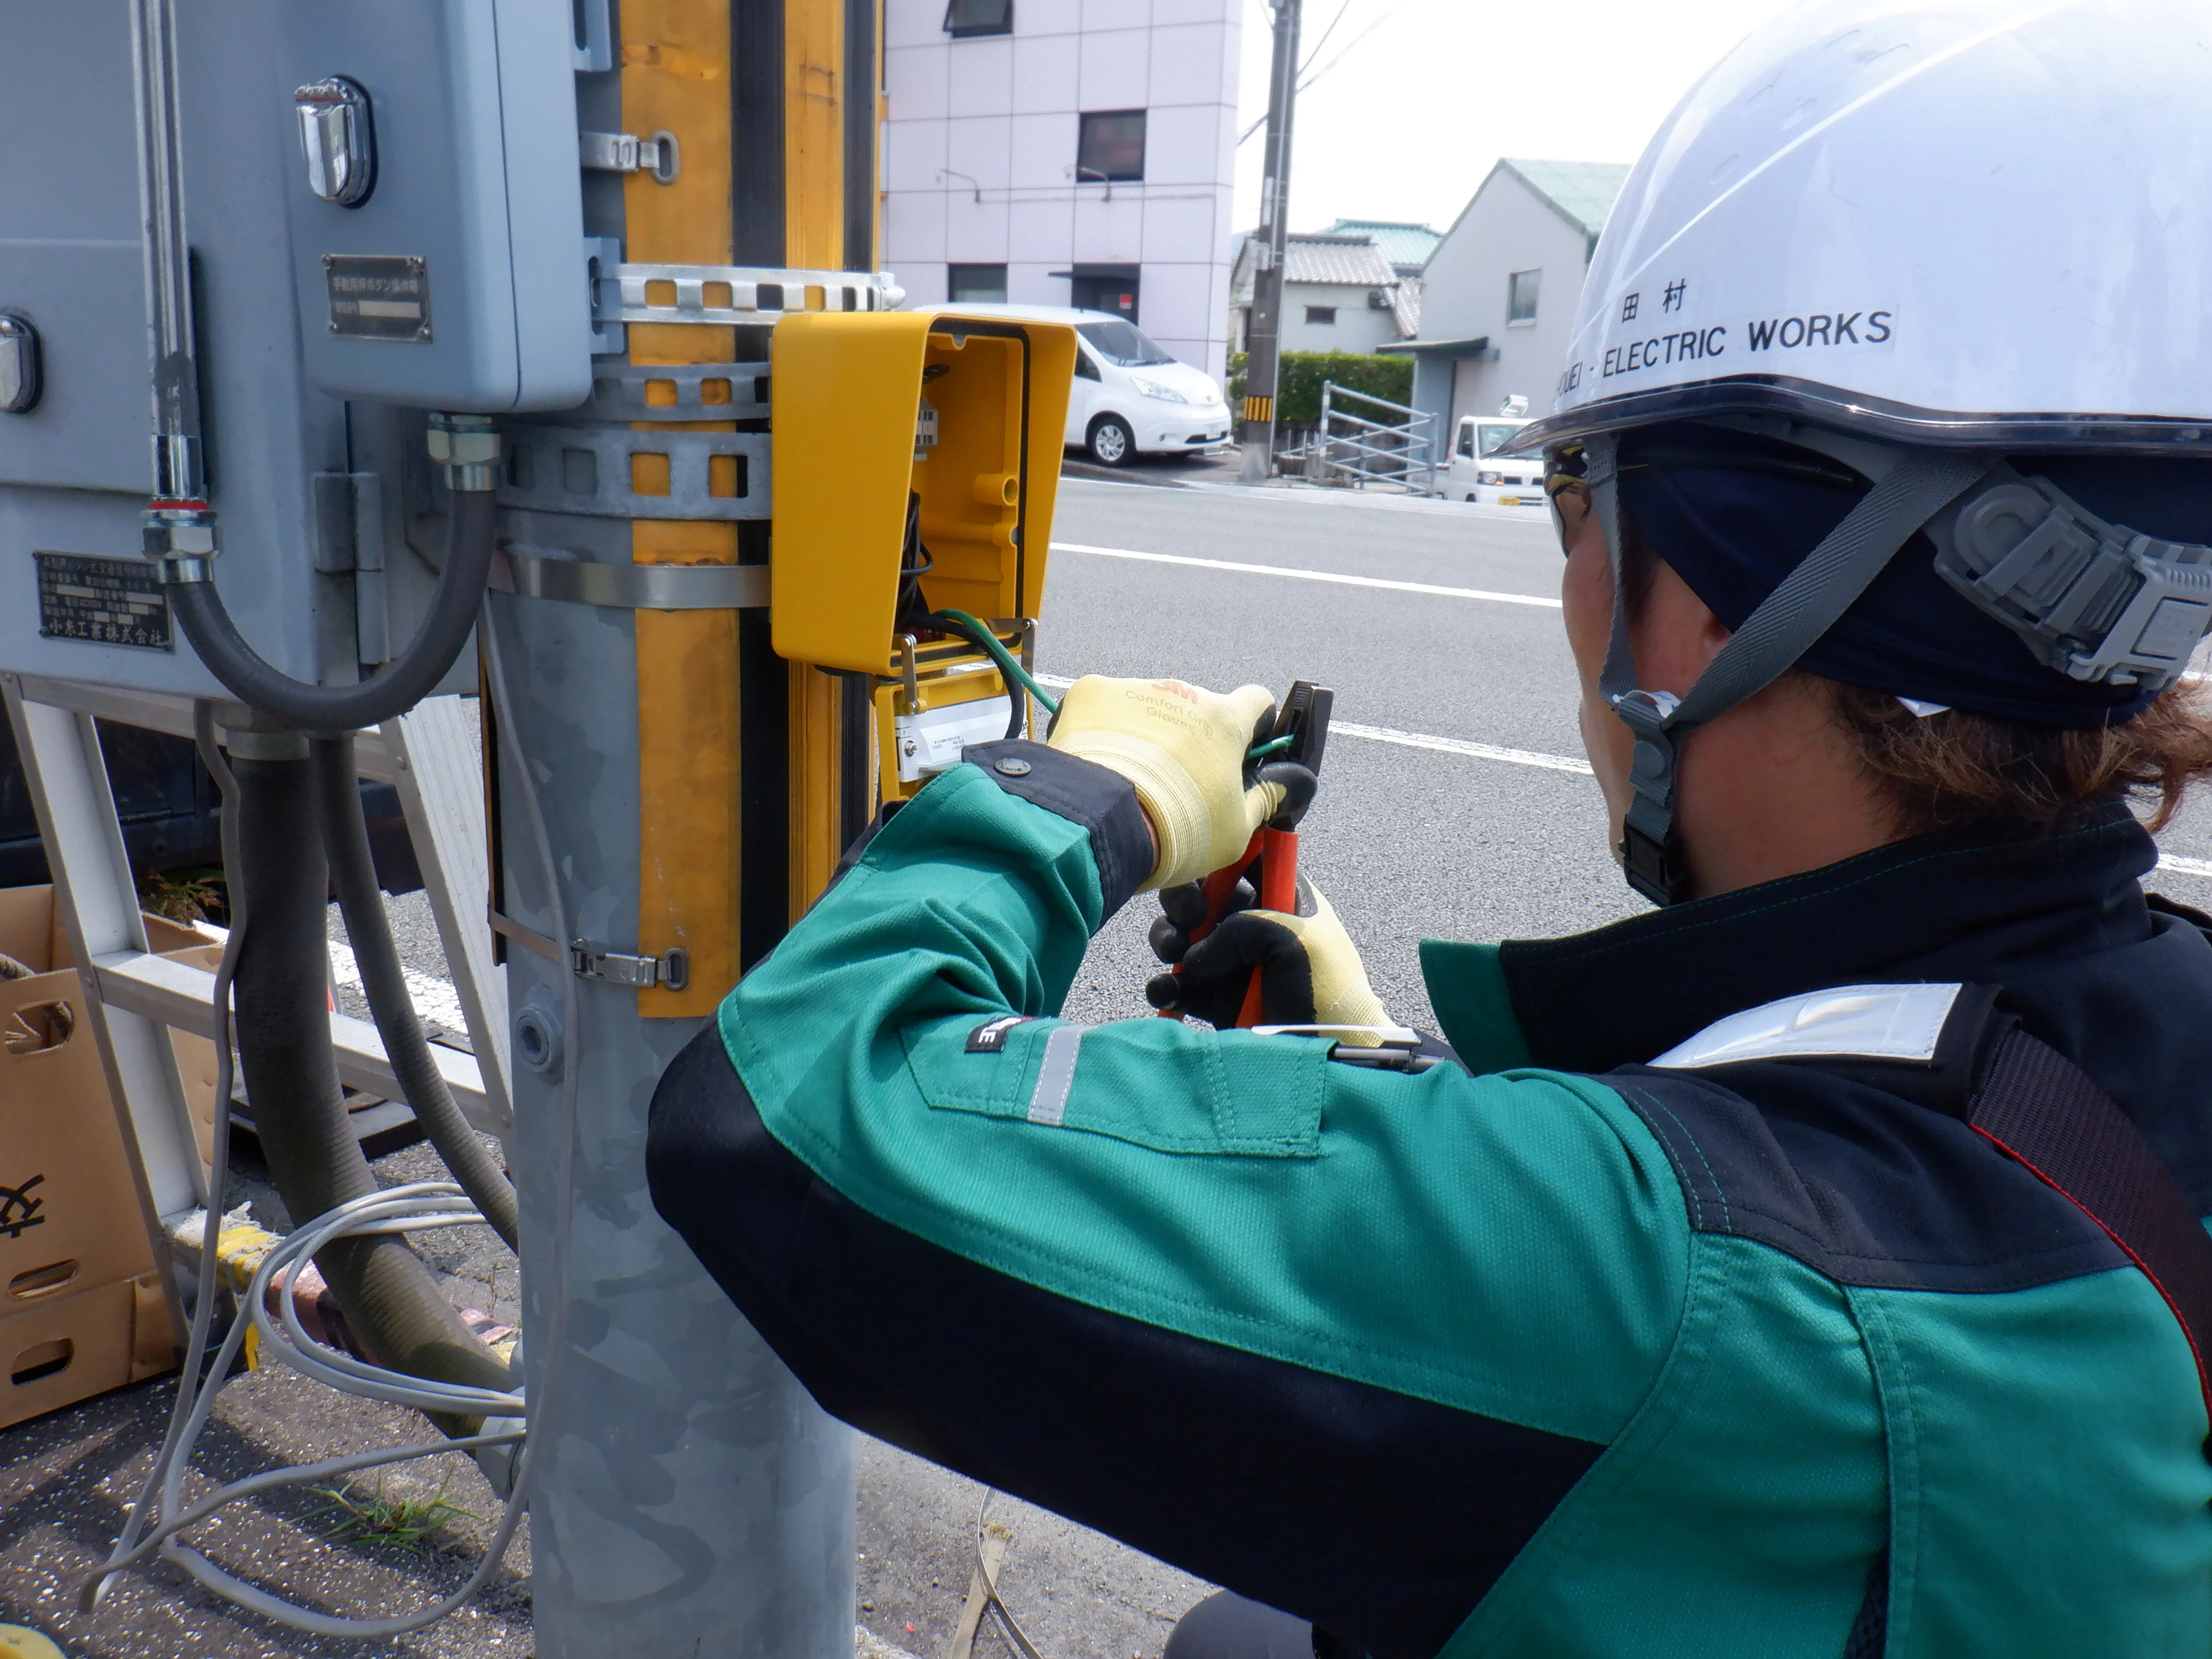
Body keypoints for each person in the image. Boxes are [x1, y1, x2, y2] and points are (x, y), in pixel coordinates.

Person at [648, 3, 2212, 1653]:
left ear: (1690, 612)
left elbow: (788, 1116)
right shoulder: (2141, 1009)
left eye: (1573, 505)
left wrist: (1083, 794)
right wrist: (1410, 1091)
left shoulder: (1664, 1283)